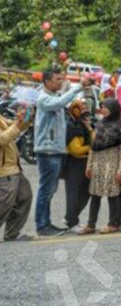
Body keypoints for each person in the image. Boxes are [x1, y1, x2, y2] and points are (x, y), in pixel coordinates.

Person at [34, 69, 85, 236]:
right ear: (47, 81)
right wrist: (77, 88)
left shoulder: (54, 96)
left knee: (50, 189)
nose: (60, 82)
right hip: (47, 151)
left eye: (62, 79)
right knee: (46, 189)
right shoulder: (44, 98)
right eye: (57, 79)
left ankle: (46, 223)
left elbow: (64, 100)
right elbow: (61, 102)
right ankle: (42, 226)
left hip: (56, 150)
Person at [83, 99, 121, 234]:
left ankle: (113, 224)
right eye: (102, 107)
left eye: (106, 107)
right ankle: (90, 225)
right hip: (98, 163)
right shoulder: (99, 124)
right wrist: (89, 165)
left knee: (113, 195)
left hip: (112, 164)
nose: (103, 109)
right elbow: (93, 146)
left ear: (114, 109)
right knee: (95, 195)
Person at [0, 107, 32, 241]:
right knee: (4, 204)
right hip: (4, 169)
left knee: (25, 196)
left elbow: (12, 125)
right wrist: (17, 124)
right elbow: (2, 139)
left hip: (13, 167)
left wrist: (25, 119)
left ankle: (12, 233)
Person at [63, 100, 92, 233]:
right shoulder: (70, 125)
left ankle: (70, 216)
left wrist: (89, 128)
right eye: (80, 108)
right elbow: (76, 150)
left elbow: (95, 140)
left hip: (86, 163)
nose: (83, 111)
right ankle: (72, 223)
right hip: (73, 163)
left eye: (85, 109)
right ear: (73, 109)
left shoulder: (84, 124)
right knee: (73, 194)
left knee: (86, 192)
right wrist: (91, 148)